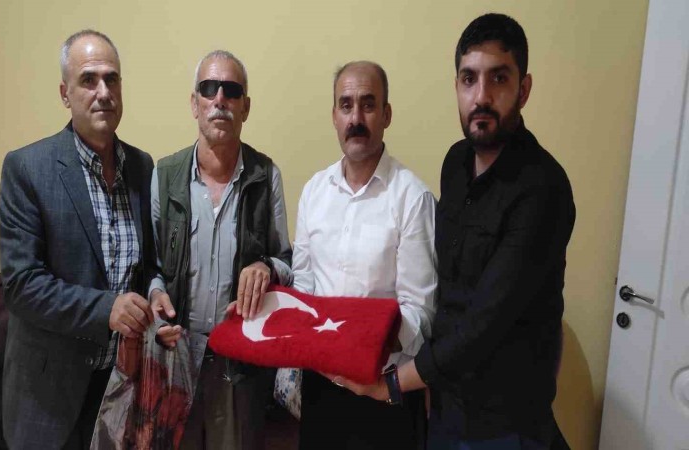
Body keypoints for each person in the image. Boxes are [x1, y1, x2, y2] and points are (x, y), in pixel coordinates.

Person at [338, 13, 575, 450]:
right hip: (446, 404)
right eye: (469, 79)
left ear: (523, 89)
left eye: (498, 78)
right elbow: (444, 290)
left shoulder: (543, 188)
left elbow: (485, 322)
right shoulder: (456, 164)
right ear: (457, 87)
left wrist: (393, 384)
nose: (481, 96)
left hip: (506, 423)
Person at [0, 30, 156, 449]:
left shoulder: (142, 167)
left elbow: (147, 266)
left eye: (112, 79)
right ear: (65, 93)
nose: (103, 92)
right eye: (88, 79)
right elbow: (21, 286)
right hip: (48, 394)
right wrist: (108, 309)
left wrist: (155, 297)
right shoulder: (27, 168)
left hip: (120, 385)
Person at [149, 50, 293, 450]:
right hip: (176, 361)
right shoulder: (164, 176)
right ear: (194, 103)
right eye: (209, 88)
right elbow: (151, 267)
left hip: (239, 366)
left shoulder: (266, 176)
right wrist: (155, 294)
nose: (219, 99)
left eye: (231, 90)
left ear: (245, 107)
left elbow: (288, 261)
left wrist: (266, 267)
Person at [292, 60, 437, 450]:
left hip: (384, 392)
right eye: (346, 105)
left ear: (386, 115)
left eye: (368, 105)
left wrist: (365, 346)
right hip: (321, 389)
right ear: (334, 116)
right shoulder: (313, 192)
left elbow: (420, 311)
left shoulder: (412, 198)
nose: (356, 118)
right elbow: (304, 284)